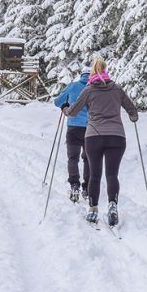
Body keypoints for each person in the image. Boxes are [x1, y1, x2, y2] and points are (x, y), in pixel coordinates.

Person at [62, 56, 138, 226]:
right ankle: (112, 205)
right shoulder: (117, 89)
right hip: (117, 137)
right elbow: (132, 110)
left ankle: (93, 210)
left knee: (95, 175)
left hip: (94, 137)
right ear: (105, 71)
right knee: (112, 174)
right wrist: (133, 117)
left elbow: (73, 111)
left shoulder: (88, 90)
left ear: (92, 73)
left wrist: (65, 109)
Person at [54, 63, 91, 203]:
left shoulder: (73, 86)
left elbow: (57, 102)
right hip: (90, 128)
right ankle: (87, 187)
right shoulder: (95, 88)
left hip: (74, 127)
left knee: (73, 158)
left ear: (82, 75)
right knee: (88, 159)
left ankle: (74, 185)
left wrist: (65, 105)